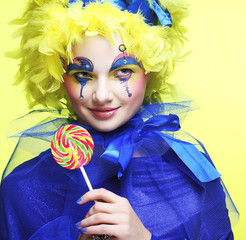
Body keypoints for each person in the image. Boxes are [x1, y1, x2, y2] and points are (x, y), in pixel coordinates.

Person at [0, 0, 238, 239]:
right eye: (82, 74)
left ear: (150, 70)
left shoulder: (192, 173)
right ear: (60, 76)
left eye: (123, 71)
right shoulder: (23, 190)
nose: (102, 95)